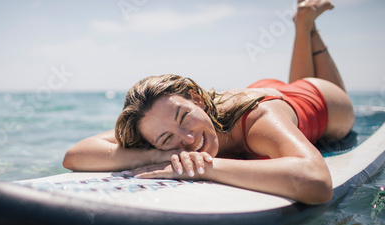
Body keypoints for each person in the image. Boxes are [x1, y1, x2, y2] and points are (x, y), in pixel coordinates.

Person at [63, 0, 354, 204]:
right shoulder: (157, 127)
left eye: (184, 117)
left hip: (320, 98)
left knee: (328, 100)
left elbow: (317, 182)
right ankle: (303, 22)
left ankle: (307, 26)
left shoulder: (258, 120)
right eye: (166, 139)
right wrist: (158, 157)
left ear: (197, 99)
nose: (188, 139)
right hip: (265, 92)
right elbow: (76, 155)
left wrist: (203, 167)